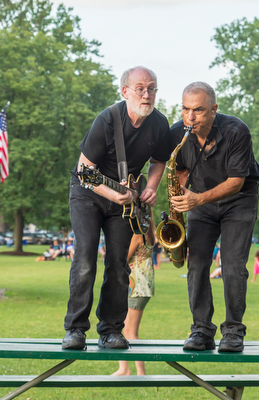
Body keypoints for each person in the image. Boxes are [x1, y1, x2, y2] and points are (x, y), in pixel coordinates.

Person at [62, 66, 172, 351]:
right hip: (89, 193)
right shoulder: (107, 120)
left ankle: (111, 330)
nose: (146, 94)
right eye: (140, 88)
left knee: (118, 265)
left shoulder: (159, 123)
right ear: (125, 91)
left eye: (151, 88)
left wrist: (151, 187)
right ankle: (75, 330)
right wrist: (113, 193)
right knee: (85, 258)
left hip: (124, 198)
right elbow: (84, 171)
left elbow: (160, 160)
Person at [170, 81, 259, 353]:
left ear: (214, 109)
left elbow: (236, 181)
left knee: (233, 265)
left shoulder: (237, 131)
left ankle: (233, 332)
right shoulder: (178, 132)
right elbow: (178, 168)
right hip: (199, 201)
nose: (190, 117)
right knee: (197, 264)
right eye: (186, 109)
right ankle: (201, 330)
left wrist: (197, 198)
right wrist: (179, 197)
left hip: (239, 199)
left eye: (198, 110)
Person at [112, 214, 156, 376]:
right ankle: (124, 368)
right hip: (139, 285)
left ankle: (140, 372)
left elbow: (123, 257)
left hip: (137, 286)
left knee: (130, 330)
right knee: (124, 327)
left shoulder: (139, 233)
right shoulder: (148, 231)